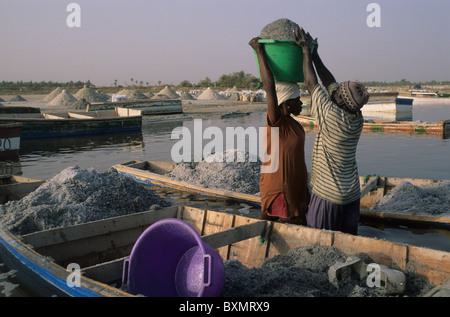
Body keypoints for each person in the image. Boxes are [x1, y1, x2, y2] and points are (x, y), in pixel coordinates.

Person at [294, 27, 369, 235]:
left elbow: (311, 84)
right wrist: (316, 55)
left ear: (341, 101)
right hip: (352, 194)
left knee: (321, 241)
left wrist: (305, 51)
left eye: (338, 93)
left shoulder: (330, 115)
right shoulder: (357, 117)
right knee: (346, 241)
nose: (333, 92)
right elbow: (330, 84)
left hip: (329, 195)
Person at [249, 37, 310, 225]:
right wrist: (259, 51)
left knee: (298, 223)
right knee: (288, 226)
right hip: (280, 189)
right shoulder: (276, 123)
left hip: (296, 187)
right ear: (285, 102)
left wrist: (307, 51)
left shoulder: (294, 124)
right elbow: (270, 88)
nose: (301, 103)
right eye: (297, 99)